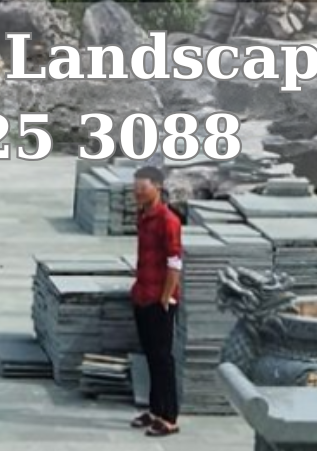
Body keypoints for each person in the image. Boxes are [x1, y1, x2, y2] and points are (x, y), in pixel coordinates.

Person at [129, 166, 183, 437]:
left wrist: (165, 298)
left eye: (143, 187)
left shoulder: (168, 220)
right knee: (150, 355)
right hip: (142, 294)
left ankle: (170, 417)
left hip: (160, 300)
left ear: (158, 187)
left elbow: (175, 264)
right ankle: (154, 409)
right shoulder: (143, 216)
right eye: (135, 187)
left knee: (163, 359)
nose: (137, 192)